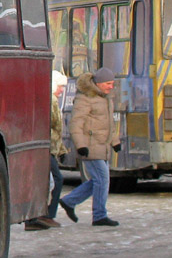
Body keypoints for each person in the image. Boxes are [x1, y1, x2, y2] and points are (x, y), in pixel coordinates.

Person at [59, 66, 121, 227]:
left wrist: (115, 142)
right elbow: (76, 124)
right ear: (98, 83)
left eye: (112, 83)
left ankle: (69, 201)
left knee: (98, 180)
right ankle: (99, 215)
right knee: (103, 179)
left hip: (102, 146)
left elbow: (109, 124)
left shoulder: (105, 99)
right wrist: (81, 145)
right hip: (90, 146)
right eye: (108, 83)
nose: (110, 86)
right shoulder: (85, 98)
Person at [24, 71, 69, 231]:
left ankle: (40, 216)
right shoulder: (49, 101)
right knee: (54, 180)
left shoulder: (52, 100)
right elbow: (51, 128)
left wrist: (61, 149)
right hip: (45, 148)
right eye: (60, 86)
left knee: (50, 180)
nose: (62, 90)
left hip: (48, 147)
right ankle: (44, 215)